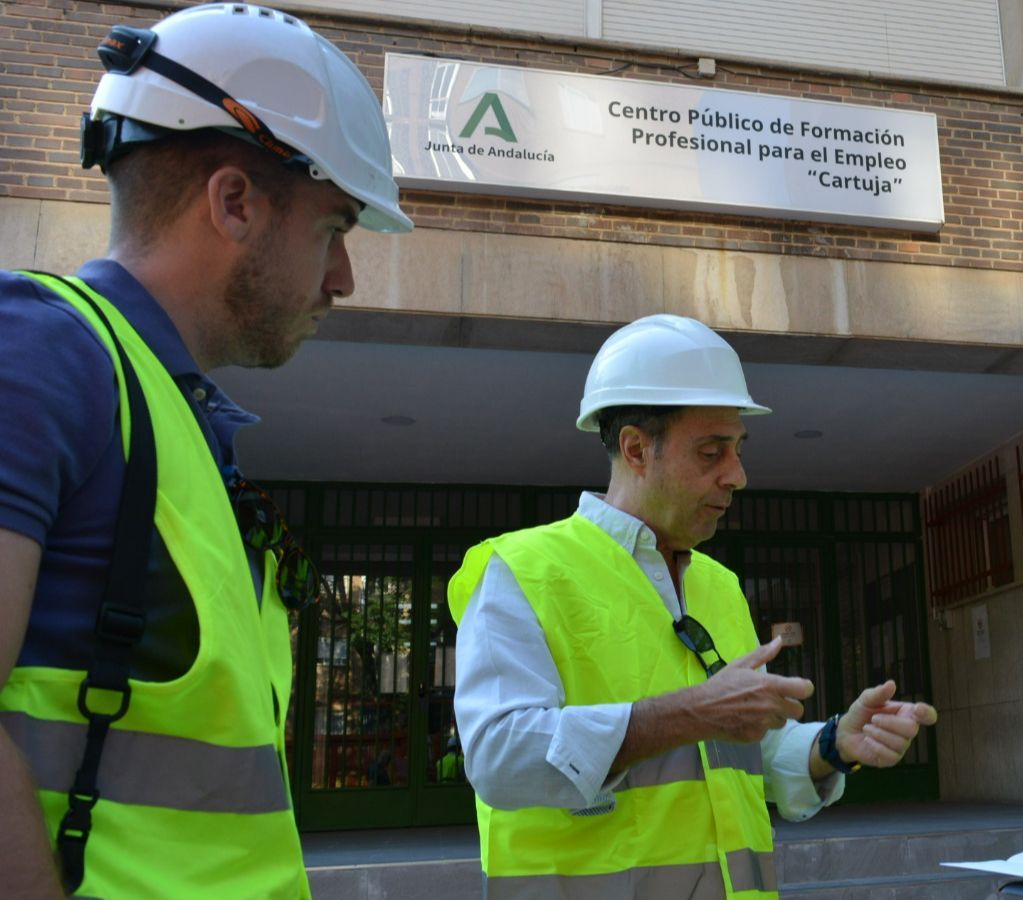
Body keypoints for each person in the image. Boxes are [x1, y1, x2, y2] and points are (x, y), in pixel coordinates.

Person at [0, 5, 411, 897]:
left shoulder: (173, 415)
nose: (343, 279)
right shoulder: (39, 353)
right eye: (335, 230)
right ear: (234, 203)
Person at [448, 314, 938, 898]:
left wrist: (831, 745)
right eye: (711, 452)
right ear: (636, 449)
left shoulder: (719, 585)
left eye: (738, 449)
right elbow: (500, 757)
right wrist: (690, 713)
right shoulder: (521, 570)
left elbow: (742, 758)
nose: (738, 476)